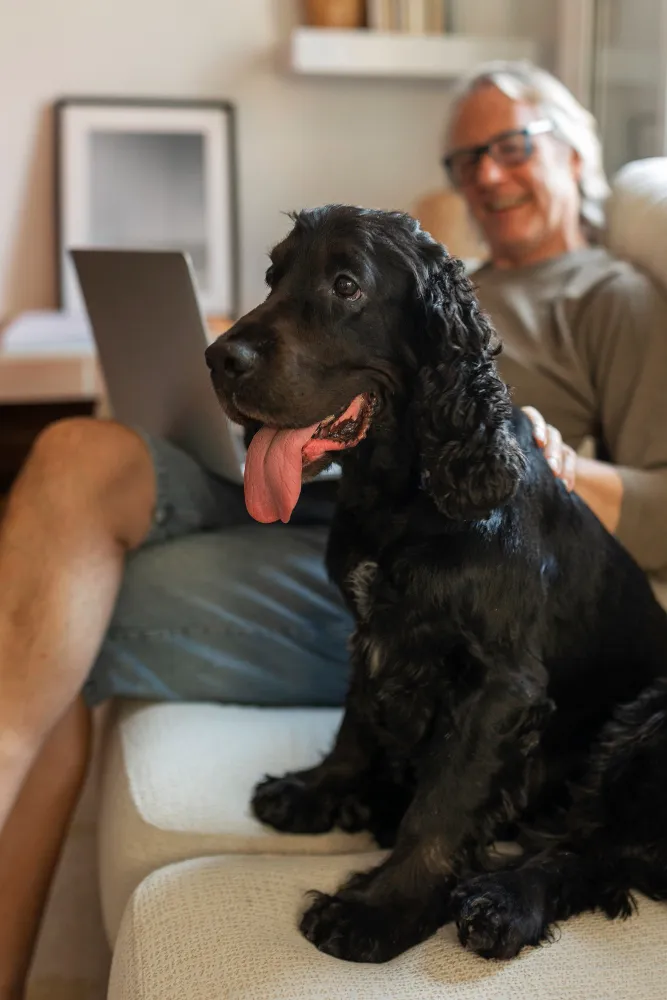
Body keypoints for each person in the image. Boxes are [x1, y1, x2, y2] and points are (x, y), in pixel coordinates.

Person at [1, 60, 666, 996]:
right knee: (76, 454)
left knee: (59, 603)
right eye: (464, 155)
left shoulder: (610, 300)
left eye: (512, 143)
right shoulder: (428, 270)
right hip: (337, 497)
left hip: (472, 519)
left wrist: (557, 465)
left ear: (581, 150)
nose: (486, 171)